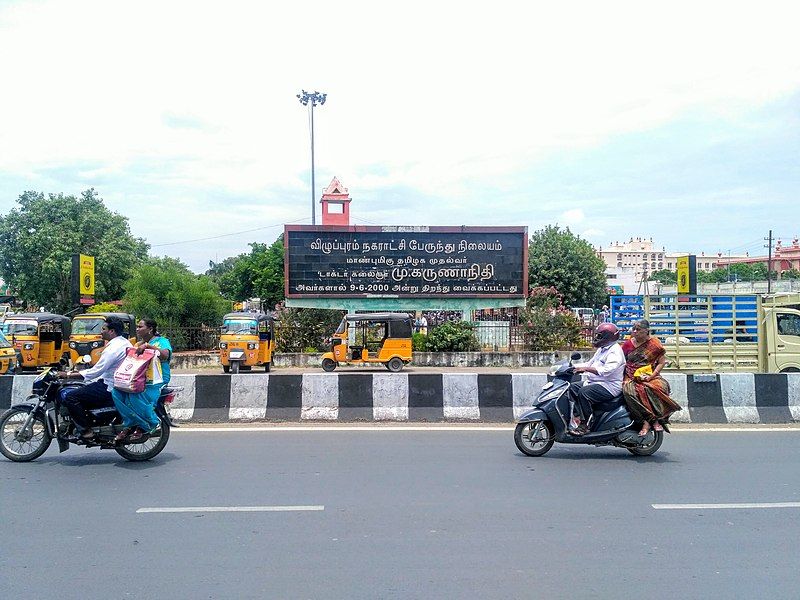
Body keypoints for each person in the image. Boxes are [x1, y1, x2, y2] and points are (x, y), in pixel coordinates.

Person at [58, 316, 132, 440]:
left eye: (103, 329)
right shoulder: (124, 342)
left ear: (112, 331)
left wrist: (68, 375)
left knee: (71, 397)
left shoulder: (114, 348)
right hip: (115, 383)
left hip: (108, 386)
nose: (100, 332)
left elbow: (96, 371)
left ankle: (86, 430)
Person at [112, 318, 173, 443]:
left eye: (140, 327)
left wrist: (149, 347)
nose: (138, 329)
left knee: (135, 397)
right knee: (116, 392)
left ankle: (151, 423)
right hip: (139, 378)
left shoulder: (162, 341)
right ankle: (129, 424)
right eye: (137, 327)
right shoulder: (138, 344)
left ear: (150, 329)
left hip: (156, 379)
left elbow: (165, 355)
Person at [621, 319, 682, 437]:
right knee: (628, 391)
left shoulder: (654, 344)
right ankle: (649, 420)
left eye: (638, 329)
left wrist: (652, 376)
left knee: (660, 387)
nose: (635, 332)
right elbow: (621, 363)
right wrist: (624, 378)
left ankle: (657, 418)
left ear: (646, 331)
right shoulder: (628, 344)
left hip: (650, 375)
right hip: (631, 376)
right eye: (633, 329)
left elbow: (661, 362)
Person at [567, 323, 625, 435]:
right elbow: (590, 363)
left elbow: (606, 371)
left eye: (599, 336)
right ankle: (577, 418)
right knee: (572, 388)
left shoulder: (615, 351)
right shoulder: (602, 349)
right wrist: (573, 367)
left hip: (609, 386)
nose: (596, 338)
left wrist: (586, 369)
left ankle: (585, 425)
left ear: (607, 337)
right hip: (596, 382)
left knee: (584, 392)